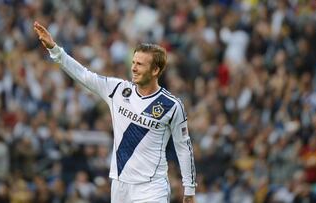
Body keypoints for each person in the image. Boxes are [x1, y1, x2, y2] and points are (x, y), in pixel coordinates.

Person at [34, 21, 196, 203]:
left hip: (152, 187)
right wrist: (55, 50)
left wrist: (189, 189)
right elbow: (84, 75)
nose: (133, 68)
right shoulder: (118, 90)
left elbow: (184, 147)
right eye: (133, 62)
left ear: (155, 70)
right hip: (120, 184)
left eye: (140, 64)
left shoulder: (172, 105)